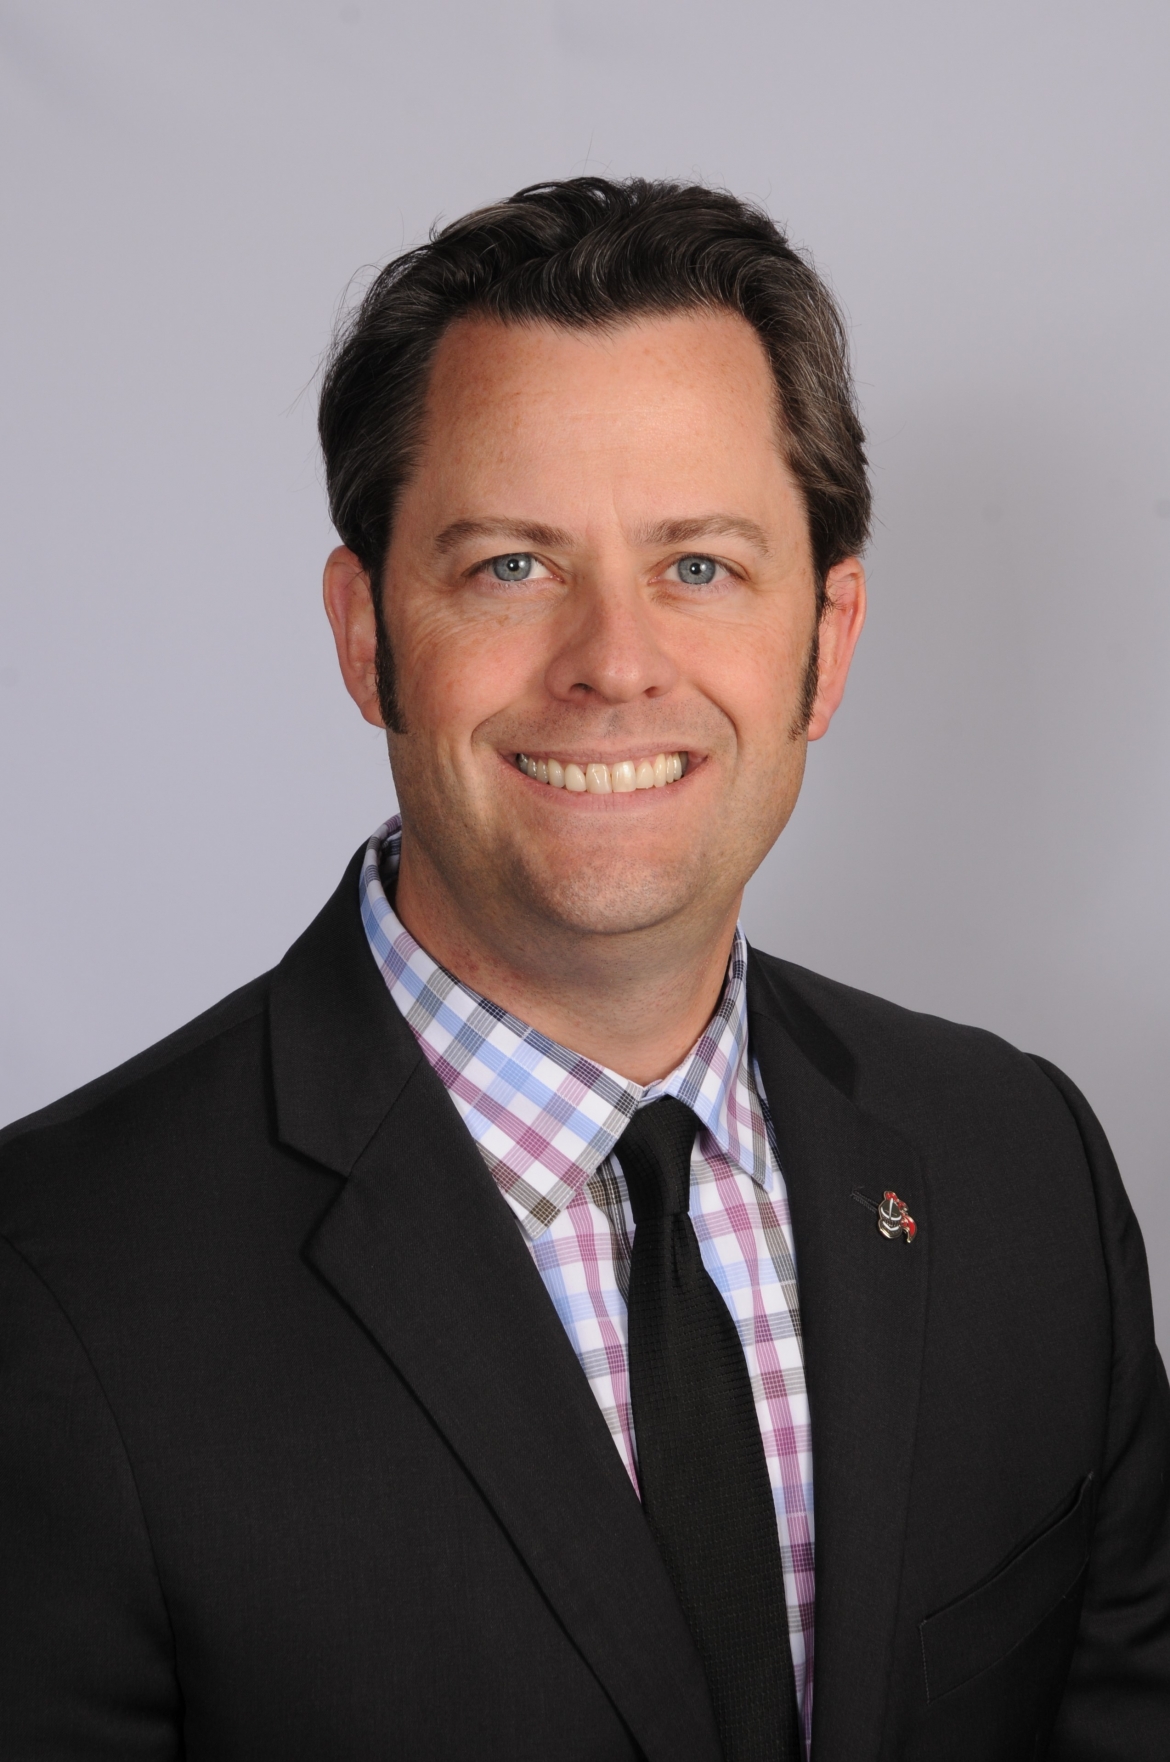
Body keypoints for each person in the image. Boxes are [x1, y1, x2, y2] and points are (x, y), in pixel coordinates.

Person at [1, 177, 1167, 1762]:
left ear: (824, 640)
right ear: (365, 637)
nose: (614, 661)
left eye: (699, 565)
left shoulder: (1019, 1168)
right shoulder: (55, 1281)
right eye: (508, 566)